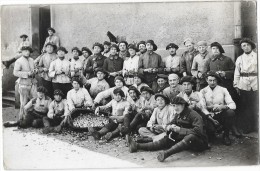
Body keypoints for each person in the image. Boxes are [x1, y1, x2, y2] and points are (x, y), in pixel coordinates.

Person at [128, 96, 208, 162]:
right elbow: (172, 123)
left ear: (183, 105)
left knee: (191, 136)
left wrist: (180, 130)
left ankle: (166, 153)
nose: (175, 108)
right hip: (185, 140)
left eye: (177, 105)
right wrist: (169, 127)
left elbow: (198, 131)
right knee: (167, 138)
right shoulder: (179, 114)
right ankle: (137, 146)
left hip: (200, 142)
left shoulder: (193, 114)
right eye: (173, 105)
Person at [200, 71, 238, 145]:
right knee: (211, 135)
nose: (212, 82)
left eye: (214, 80)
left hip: (220, 114)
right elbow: (202, 107)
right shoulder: (203, 91)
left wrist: (222, 107)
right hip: (209, 116)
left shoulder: (223, 90)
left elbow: (233, 105)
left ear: (217, 80)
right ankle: (212, 132)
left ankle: (226, 135)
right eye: (210, 80)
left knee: (230, 113)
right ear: (206, 80)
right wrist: (211, 108)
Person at [234, 38, 258, 134]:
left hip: (256, 83)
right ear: (241, 48)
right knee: (246, 106)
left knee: (255, 105)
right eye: (244, 45)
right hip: (243, 84)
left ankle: (256, 126)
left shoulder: (257, 56)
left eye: (248, 45)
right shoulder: (240, 58)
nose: (246, 47)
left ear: (251, 46)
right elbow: (237, 73)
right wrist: (236, 85)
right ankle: (248, 126)